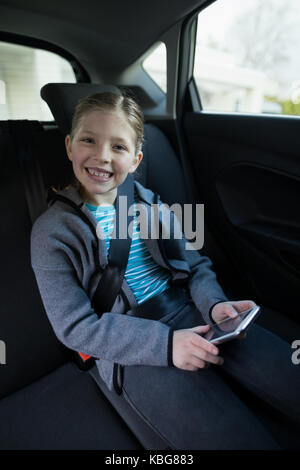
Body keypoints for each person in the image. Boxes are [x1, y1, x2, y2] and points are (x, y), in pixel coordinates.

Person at [30, 91, 300, 450]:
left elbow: (196, 264)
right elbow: (75, 327)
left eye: (119, 147)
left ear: (136, 157)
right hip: (128, 343)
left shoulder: (147, 201)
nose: (102, 156)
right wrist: (166, 345)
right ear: (69, 145)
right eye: (88, 140)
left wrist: (215, 306)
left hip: (192, 313)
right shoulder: (53, 232)